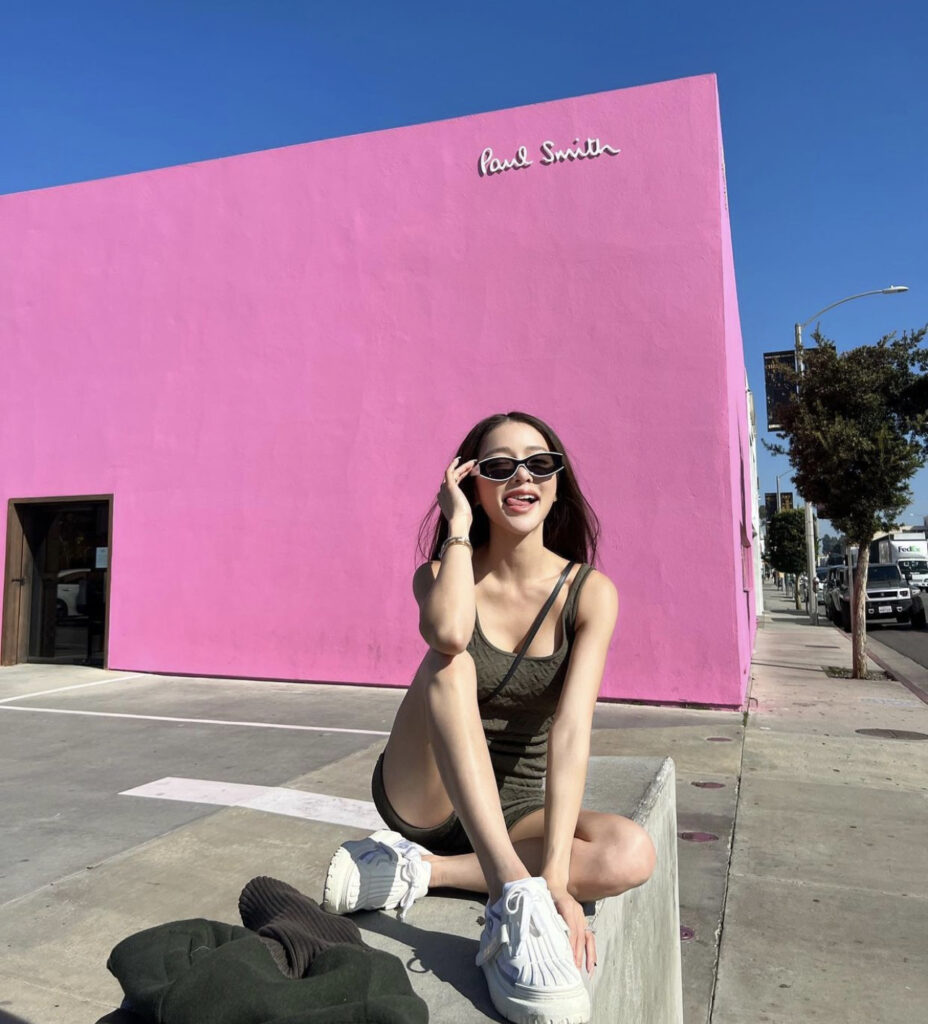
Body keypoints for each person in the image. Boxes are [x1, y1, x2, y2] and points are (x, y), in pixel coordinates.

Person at [321, 412, 656, 1024]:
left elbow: (571, 731)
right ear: (473, 484)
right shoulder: (440, 575)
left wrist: (557, 876)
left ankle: (424, 871)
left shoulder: (589, 593)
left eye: (539, 463)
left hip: (518, 806)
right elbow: (449, 633)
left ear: (557, 481)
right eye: (499, 467)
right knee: (451, 662)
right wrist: (456, 527)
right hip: (427, 792)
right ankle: (508, 895)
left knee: (630, 853)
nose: (522, 477)